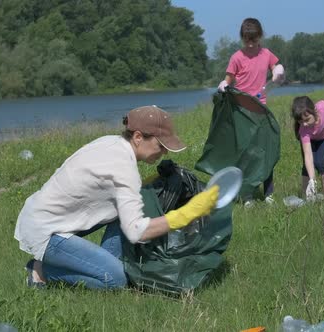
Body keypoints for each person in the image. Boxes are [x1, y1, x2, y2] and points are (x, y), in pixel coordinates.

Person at [14, 105, 219, 290]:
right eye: (160, 145)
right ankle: (41, 271)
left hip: (48, 216)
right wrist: (188, 213)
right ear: (138, 137)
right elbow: (138, 232)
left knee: (115, 246)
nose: (164, 152)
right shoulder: (123, 167)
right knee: (114, 280)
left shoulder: (112, 143)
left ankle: (98, 265)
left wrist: (150, 183)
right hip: (46, 231)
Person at [217, 17, 285, 207]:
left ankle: (269, 193)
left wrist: (278, 70)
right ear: (242, 37)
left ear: (260, 36)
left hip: (261, 110)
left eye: (253, 39)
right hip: (241, 112)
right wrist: (224, 84)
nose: (250, 43)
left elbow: (276, 66)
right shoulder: (237, 57)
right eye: (247, 39)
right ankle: (247, 195)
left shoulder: (266, 54)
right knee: (246, 154)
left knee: (265, 152)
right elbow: (228, 79)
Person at [291, 96, 324, 201]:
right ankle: (306, 196)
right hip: (311, 140)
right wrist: (312, 180)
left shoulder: (322, 107)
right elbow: (308, 156)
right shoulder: (304, 130)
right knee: (307, 166)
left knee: (321, 162)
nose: (304, 124)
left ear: (314, 111)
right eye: (300, 122)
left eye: (307, 119)